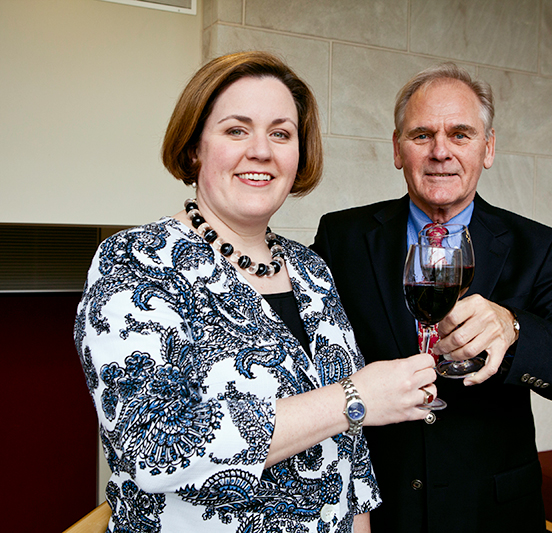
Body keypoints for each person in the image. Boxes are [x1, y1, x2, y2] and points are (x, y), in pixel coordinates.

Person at [74, 51, 439, 533]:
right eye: (236, 129)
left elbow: (349, 457)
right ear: (194, 147)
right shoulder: (136, 260)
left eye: (281, 133)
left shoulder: (312, 271)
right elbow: (153, 445)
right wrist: (353, 397)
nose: (262, 151)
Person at [311, 63, 552, 532]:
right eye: (421, 135)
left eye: (460, 135)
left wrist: (513, 330)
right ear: (397, 150)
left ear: (488, 149)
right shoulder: (342, 237)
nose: (440, 152)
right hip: (379, 509)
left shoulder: (537, 246)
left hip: (491, 513)